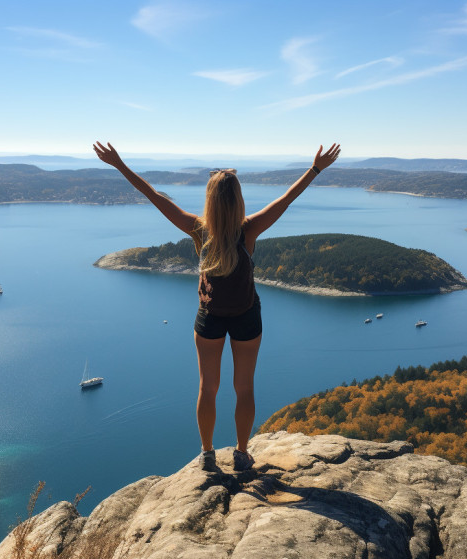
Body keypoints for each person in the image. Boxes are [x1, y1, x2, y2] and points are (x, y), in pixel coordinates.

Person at [93, 141, 341, 471]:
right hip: (246, 317)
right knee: (245, 388)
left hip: (209, 319)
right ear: (237, 199)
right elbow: (286, 200)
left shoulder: (198, 230)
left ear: (209, 200)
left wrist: (120, 164)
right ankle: (241, 453)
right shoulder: (249, 228)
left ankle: (208, 454)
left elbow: (155, 197)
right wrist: (315, 169)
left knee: (207, 389)